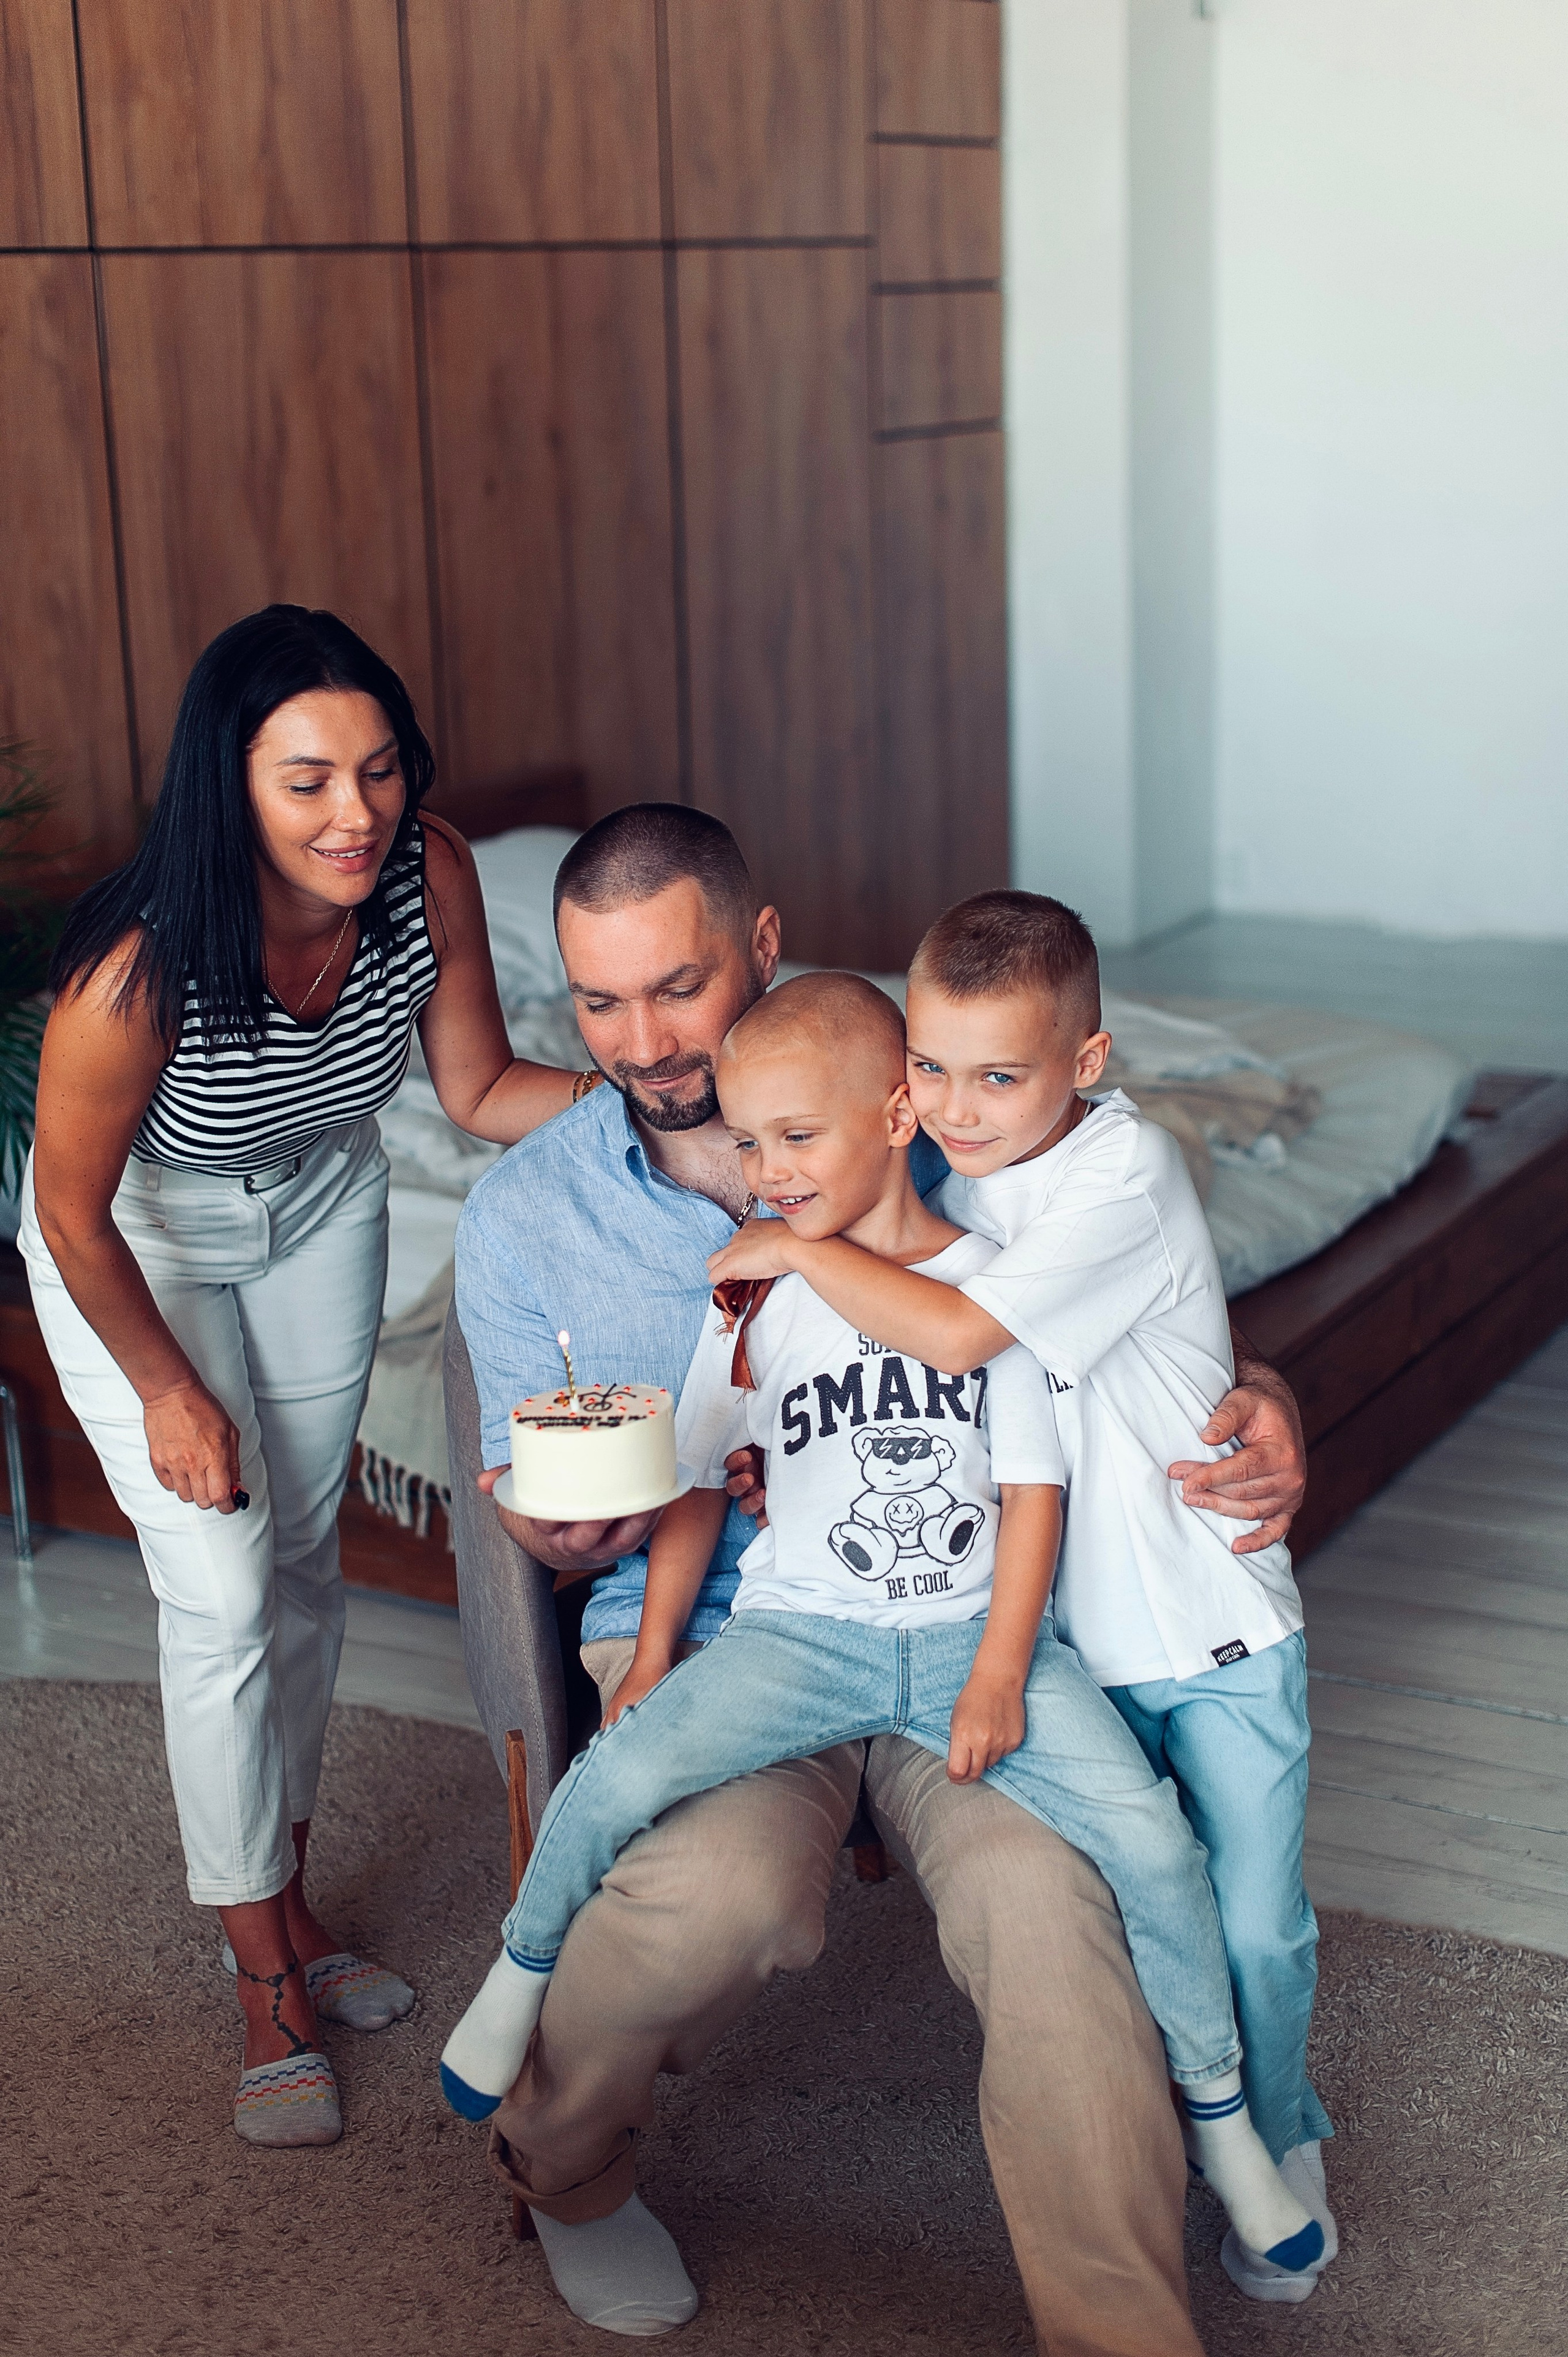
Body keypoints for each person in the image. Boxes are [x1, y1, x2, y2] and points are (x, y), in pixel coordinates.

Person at [450, 801, 1311, 2351]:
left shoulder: (923, 1104)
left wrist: (1268, 1390)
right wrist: (567, 1533)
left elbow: (1106, 1296)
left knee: (1061, 1927)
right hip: (725, 1633)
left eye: (678, 985)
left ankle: (1124, 2328)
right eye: (596, 999)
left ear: (764, 952)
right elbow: (534, 1490)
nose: (642, 1038)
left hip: (977, 1635)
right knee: (718, 1895)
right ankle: (566, 2169)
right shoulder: (527, 1218)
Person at [710, 890, 1335, 2305]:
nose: (955, 1105)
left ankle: (1282, 2128)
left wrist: (793, 1250)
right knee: (1133, 1899)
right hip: (1056, 1637)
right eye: (928, 1069)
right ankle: (1188, 2126)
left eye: (998, 1075)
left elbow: (949, 1326)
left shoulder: (1124, 1171)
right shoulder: (936, 1178)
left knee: (1248, 1917)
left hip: (1209, 1623)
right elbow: (890, 1377)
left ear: (1087, 1062)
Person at [22, 605, 576, 2147]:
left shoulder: (427, 874)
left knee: (304, 1561)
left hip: (324, 1196)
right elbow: (69, 1208)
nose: (358, 813)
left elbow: (473, 1088)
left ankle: (294, 1899)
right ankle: (261, 1971)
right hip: (143, 1236)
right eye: (310, 780)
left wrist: (683, 1101)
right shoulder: (137, 966)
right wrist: (165, 1387)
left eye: (382, 770)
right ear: (232, 785)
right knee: (218, 1587)